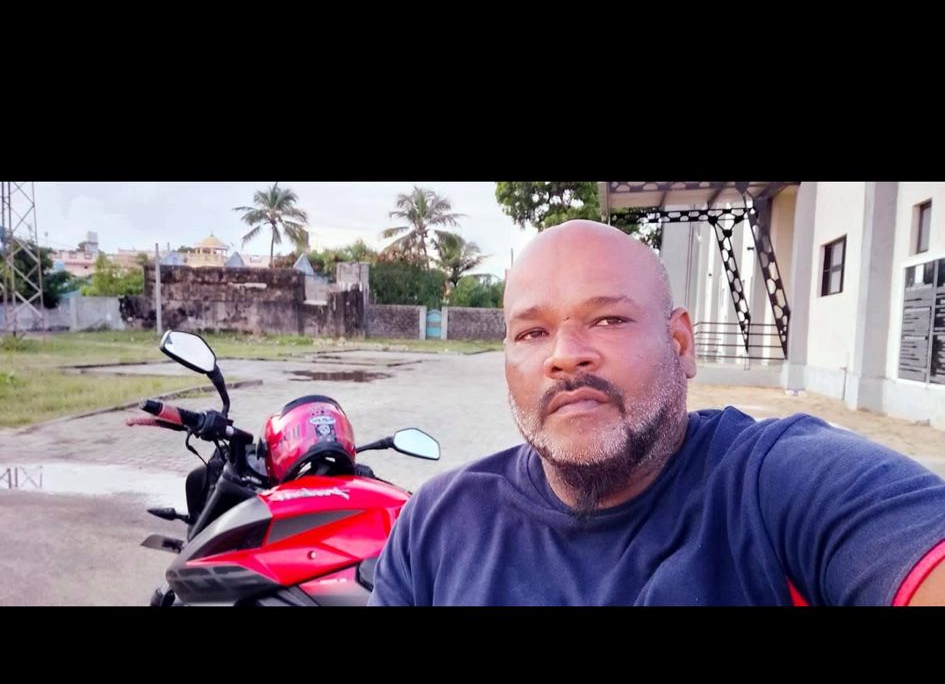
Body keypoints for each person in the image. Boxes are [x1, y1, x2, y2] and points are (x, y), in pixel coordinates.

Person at [369, 220, 945, 606]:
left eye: (609, 319)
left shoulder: (778, 486)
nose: (564, 354)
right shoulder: (434, 525)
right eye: (532, 332)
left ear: (680, 343)